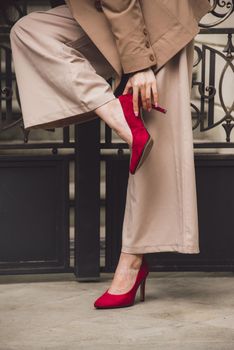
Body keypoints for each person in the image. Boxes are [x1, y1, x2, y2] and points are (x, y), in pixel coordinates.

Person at [9, 0, 211, 309]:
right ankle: (118, 115)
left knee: (156, 139)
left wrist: (140, 65)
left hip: (159, 13)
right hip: (110, 12)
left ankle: (132, 261)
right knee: (30, 31)